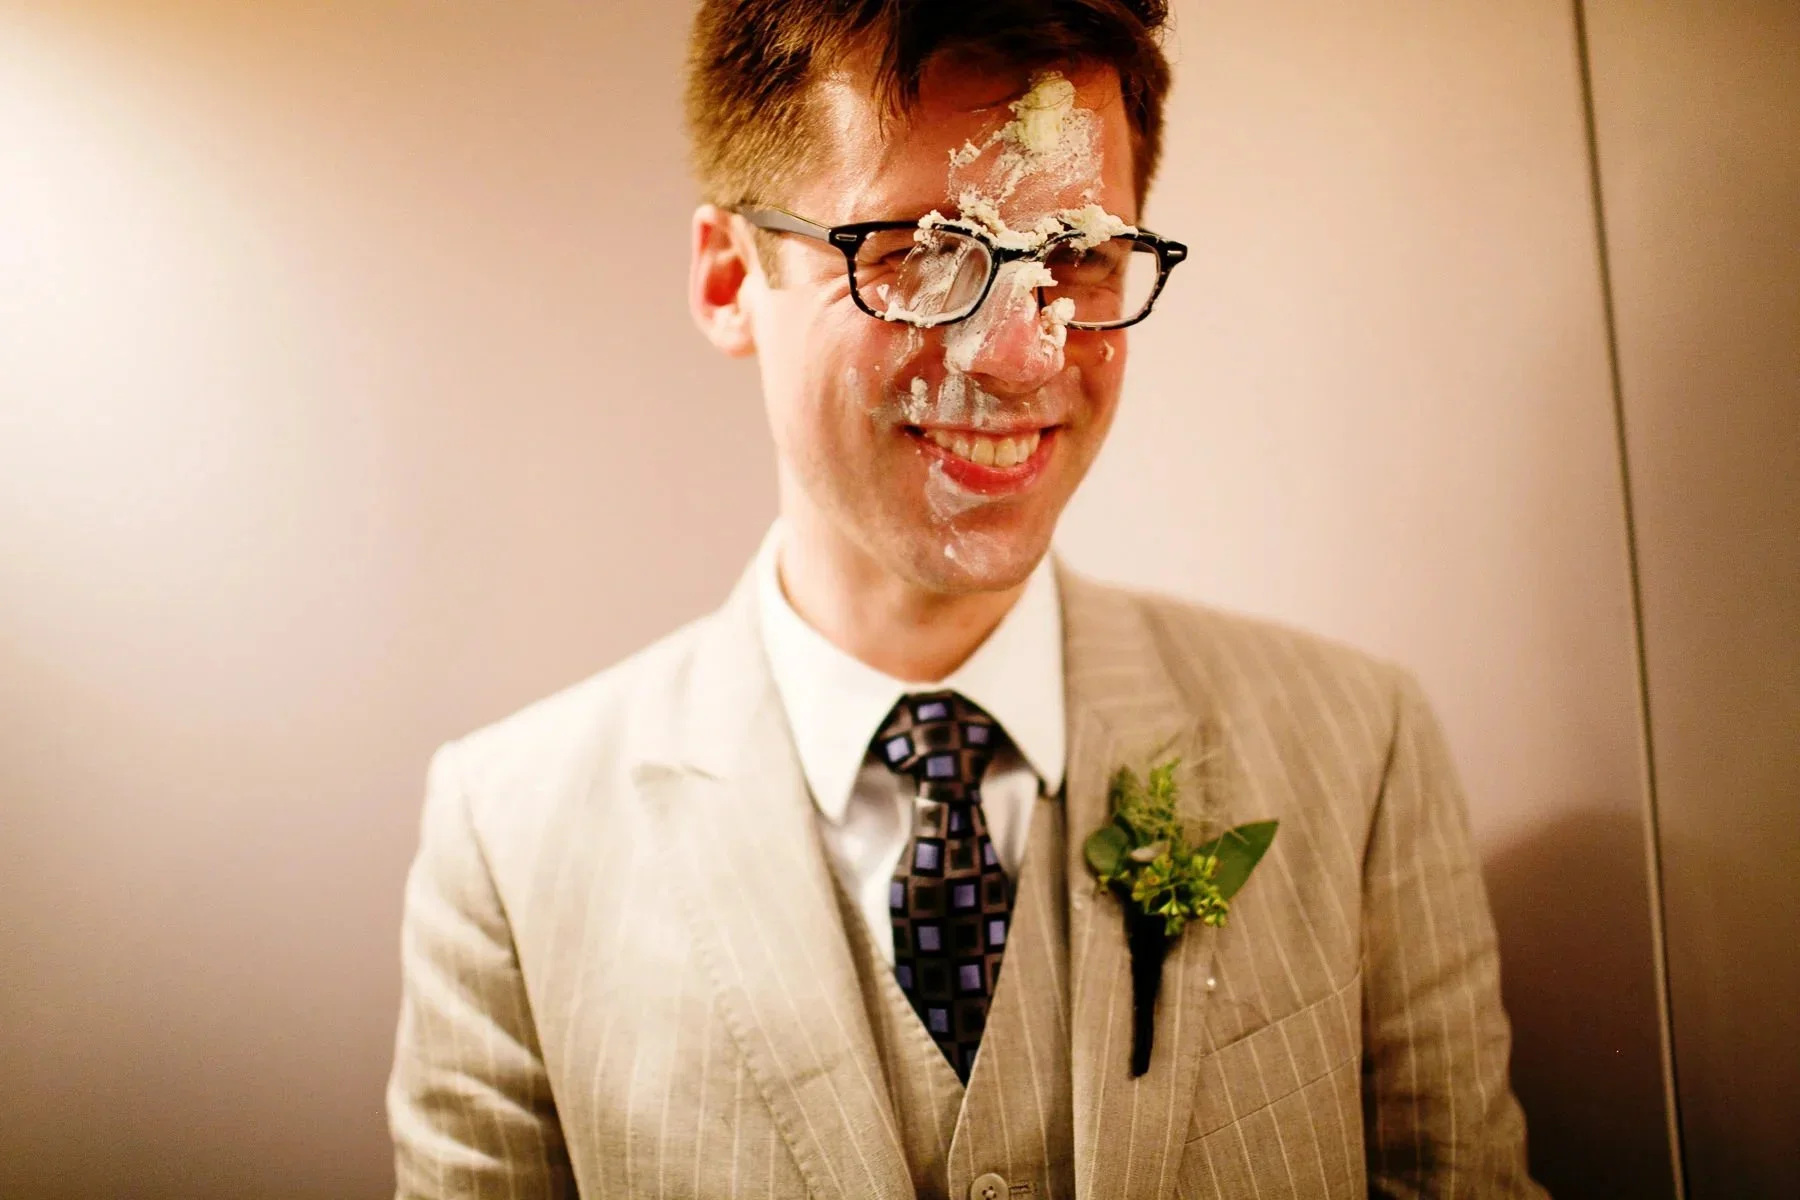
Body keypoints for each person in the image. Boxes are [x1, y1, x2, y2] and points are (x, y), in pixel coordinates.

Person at [386, 2, 1547, 1197]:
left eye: (1082, 256)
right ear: (732, 276)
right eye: (923, 251)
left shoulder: (1359, 751)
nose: (1021, 355)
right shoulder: (509, 845)